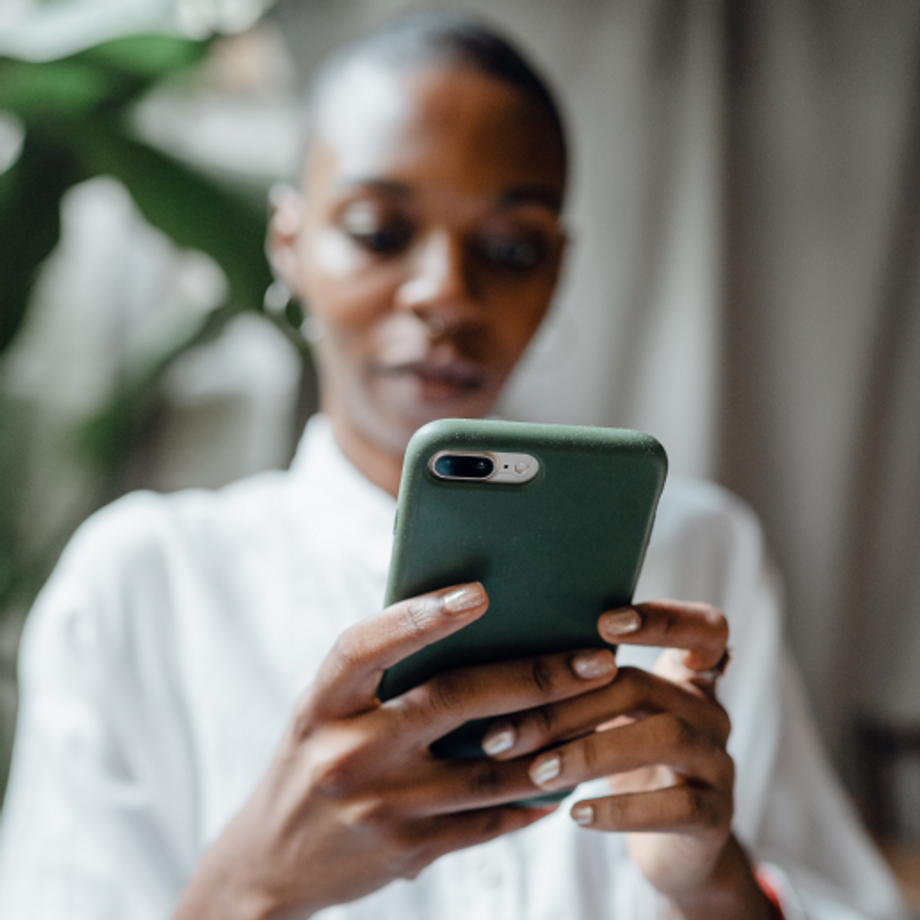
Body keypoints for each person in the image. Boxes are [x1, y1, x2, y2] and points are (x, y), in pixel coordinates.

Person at [0, 13, 909, 920]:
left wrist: (712, 880)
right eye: (380, 231)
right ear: (289, 242)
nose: (445, 291)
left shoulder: (697, 557)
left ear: (555, 271)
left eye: (509, 248)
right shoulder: (141, 584)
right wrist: (255, 886)